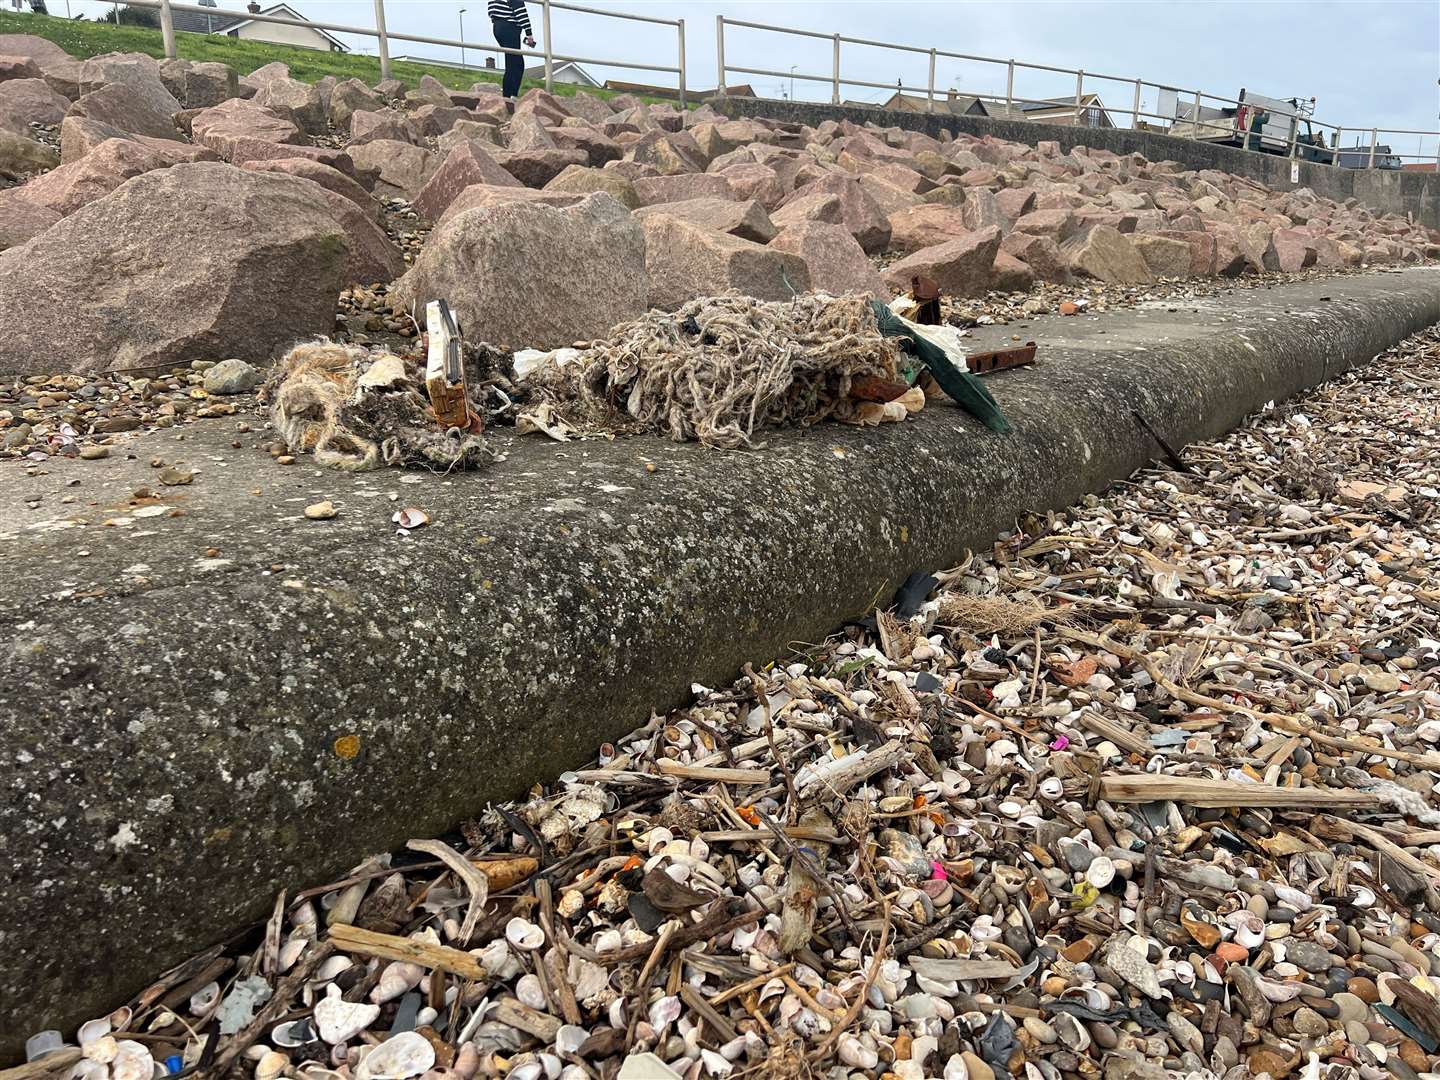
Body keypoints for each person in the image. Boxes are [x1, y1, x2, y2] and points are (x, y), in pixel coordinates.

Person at [488, 0, 534, 100]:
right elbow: (521, 12)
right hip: (509, 27)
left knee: (511, 62)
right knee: (517, 64)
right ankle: (511, 95)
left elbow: (491, 9)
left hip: (498, 26)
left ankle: (508, 95)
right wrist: (529, 33)